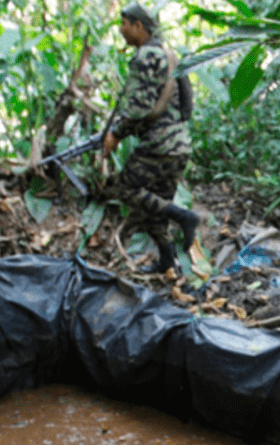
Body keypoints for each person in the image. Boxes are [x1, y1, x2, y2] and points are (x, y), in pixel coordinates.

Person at [103, 3, 199, 275]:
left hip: (160, 145)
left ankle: (185, 217)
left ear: (138, 26)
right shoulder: (169, 55)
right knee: (156, 208)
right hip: (179, 146)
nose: (121, 30)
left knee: (125, 188)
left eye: (124, 24)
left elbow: (138, 107)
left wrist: (116, 134)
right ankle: (168, 263)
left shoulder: (147, 55)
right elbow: (186, 105)